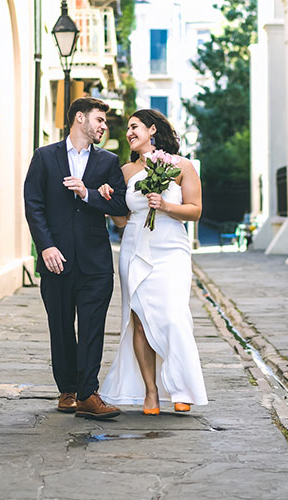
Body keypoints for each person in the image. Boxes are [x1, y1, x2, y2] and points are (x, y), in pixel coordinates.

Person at [24, 97, 128, 419]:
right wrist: (46, 246)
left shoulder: (109, 162)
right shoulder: (44, 157)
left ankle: (88, 393)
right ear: (80, 118)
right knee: (61, 327)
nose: (103, 127)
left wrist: (89, 194)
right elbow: (33, 204)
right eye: (99, 120)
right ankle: (67, 390)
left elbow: (122, 207)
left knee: (93, 327)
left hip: (96, 263)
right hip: (56, 260)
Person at [99, 109, 208, 414]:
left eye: (134, 127)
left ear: (152, 130)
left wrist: (166, 205)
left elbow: (195, 210)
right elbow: (122, 221)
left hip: (171, 250)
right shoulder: (124, 172)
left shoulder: (181, 166)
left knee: (173, 316)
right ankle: (150, 392)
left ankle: (182, 388)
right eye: (128, 129)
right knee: (140, 323)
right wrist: (109, 202)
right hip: (134, 250)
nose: (129, 133)